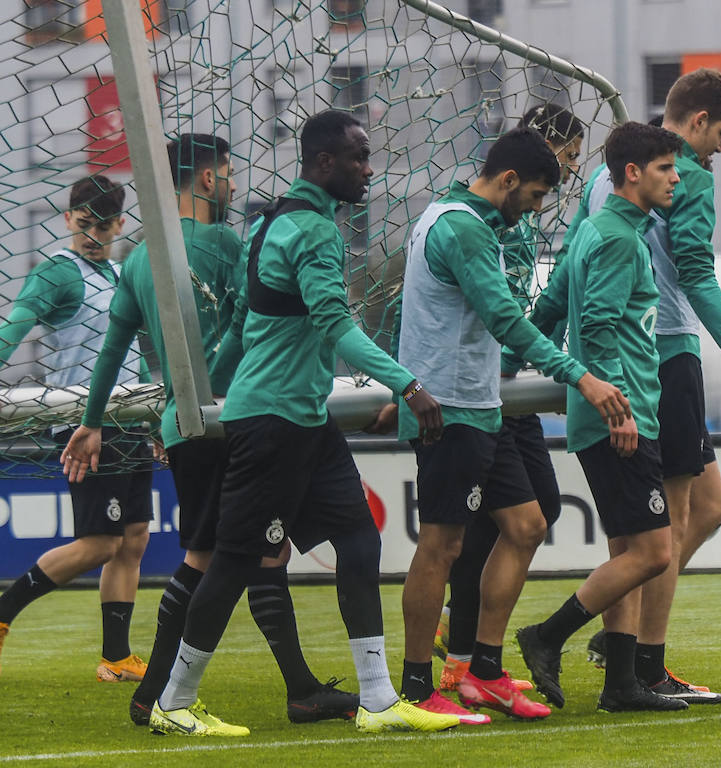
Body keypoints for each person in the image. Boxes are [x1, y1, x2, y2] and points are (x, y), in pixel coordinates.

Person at [122, 110, 470, 737]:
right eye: (360, 157)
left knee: (361, 544)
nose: (369, 169)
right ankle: (173, 702)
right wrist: (408, 384)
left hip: (301, 420)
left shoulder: (268, 223)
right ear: (324, 163)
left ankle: (378, 698)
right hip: (275, 423)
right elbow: (337, 327)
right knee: (232, 562)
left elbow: (241, 333)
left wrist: (200, 404)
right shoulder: (311, 231)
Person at [62, 134, 357, 726]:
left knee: (242, 551)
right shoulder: (225, 243)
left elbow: (113, 349)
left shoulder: (139, 256)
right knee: (228, 555)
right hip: (232, 419)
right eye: (226, 174)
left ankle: (289, 688)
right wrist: (213, 399)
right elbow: (244, 334)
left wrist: (95, 422)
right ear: (203, 181)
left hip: (180, 424)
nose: (232, 184)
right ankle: (159, 695)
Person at [394, 126, 629, 721]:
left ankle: (486, 672)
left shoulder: (448, 211)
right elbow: (505, 320)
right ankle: (419, 687)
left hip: (482, 405)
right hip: (451, 410)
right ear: (506, 180)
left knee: (526, 523)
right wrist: (582, 377)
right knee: (442, 545)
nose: (537, 208)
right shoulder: (463, 229)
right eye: (535, 195)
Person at [571, 69, 721, 702]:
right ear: (698, 120)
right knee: (672, 520)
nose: (717, 152)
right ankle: (644, 663)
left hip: (620, 360)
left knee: (699, 511)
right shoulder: (688, 175)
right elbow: (697, 272)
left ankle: (623, 654)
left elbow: (573, 256)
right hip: (663, 352)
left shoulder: (604, 172)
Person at [515, 121, 689, 713]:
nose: (677, 177)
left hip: (613, 415)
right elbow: (593, 326)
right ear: (634, 173)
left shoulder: (594, 229)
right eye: (667, 168)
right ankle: (548, 635)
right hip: (622, 418)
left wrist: (508, 364)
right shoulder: (616, 238)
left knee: (626, 552)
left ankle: (620, 686)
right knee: (653, 553)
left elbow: (552, 306)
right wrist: (617, 407)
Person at [432, 104, 586, 695]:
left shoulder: (518, 216)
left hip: (508, 380)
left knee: (530, 515)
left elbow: (524, 305)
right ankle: (464, 659)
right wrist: (566, 369)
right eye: (568, 158)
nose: (568, 174)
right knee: (488, 529)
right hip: (478, 387)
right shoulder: (481, 217)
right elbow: (496, 310)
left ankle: (469, 652)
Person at [0, 175, 151, 684]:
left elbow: (133, 353)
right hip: (87, 427)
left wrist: (152, 417)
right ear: (67, 219)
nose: (91, 234)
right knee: (100, 544)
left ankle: (116, 657)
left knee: (132, 541)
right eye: (82, 224)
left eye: (101, 226)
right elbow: (16, 324)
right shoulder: (58, 274)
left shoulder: (120, 273)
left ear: (119, 225)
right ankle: (4, 611)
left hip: (129, 421)